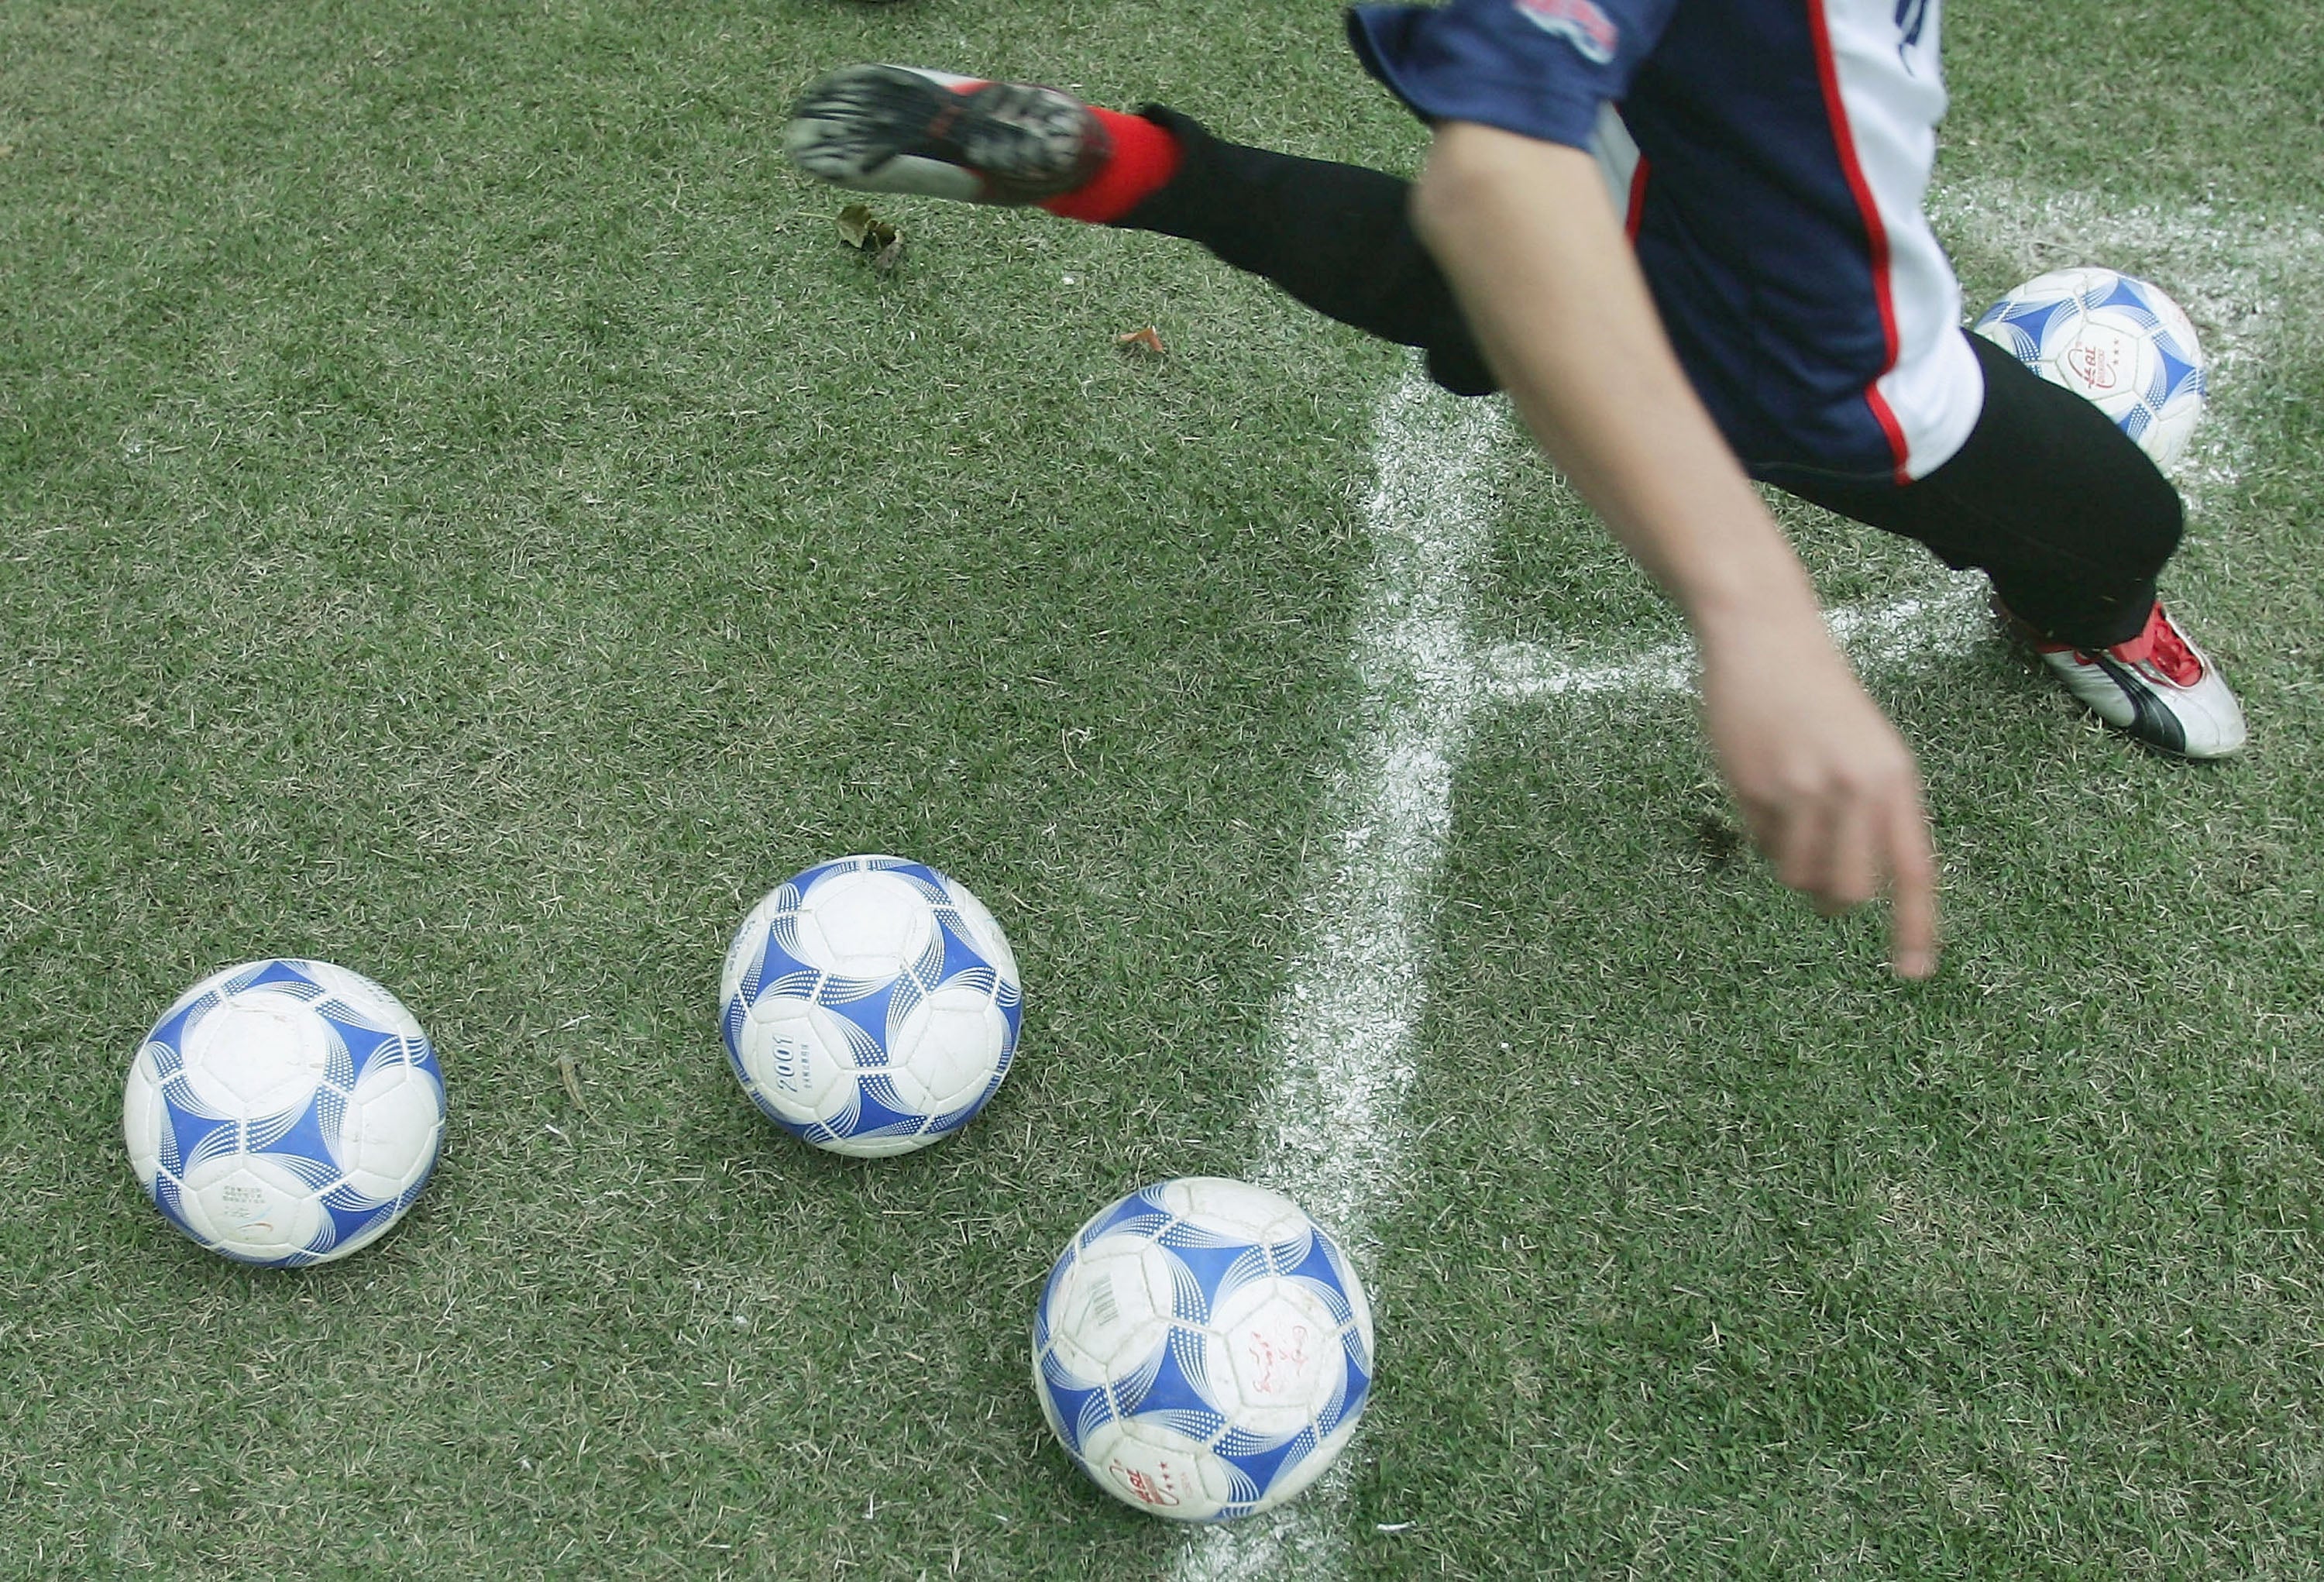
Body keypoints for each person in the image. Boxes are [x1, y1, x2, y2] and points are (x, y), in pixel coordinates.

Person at [778, 0, 2250, 980]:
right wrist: (1752, 607)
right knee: (2117, 518)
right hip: (1802, 326)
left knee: (1540, 261)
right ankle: (2091, 612)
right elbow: (1494, 192)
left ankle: (1158, 172)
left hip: (1652, 122)